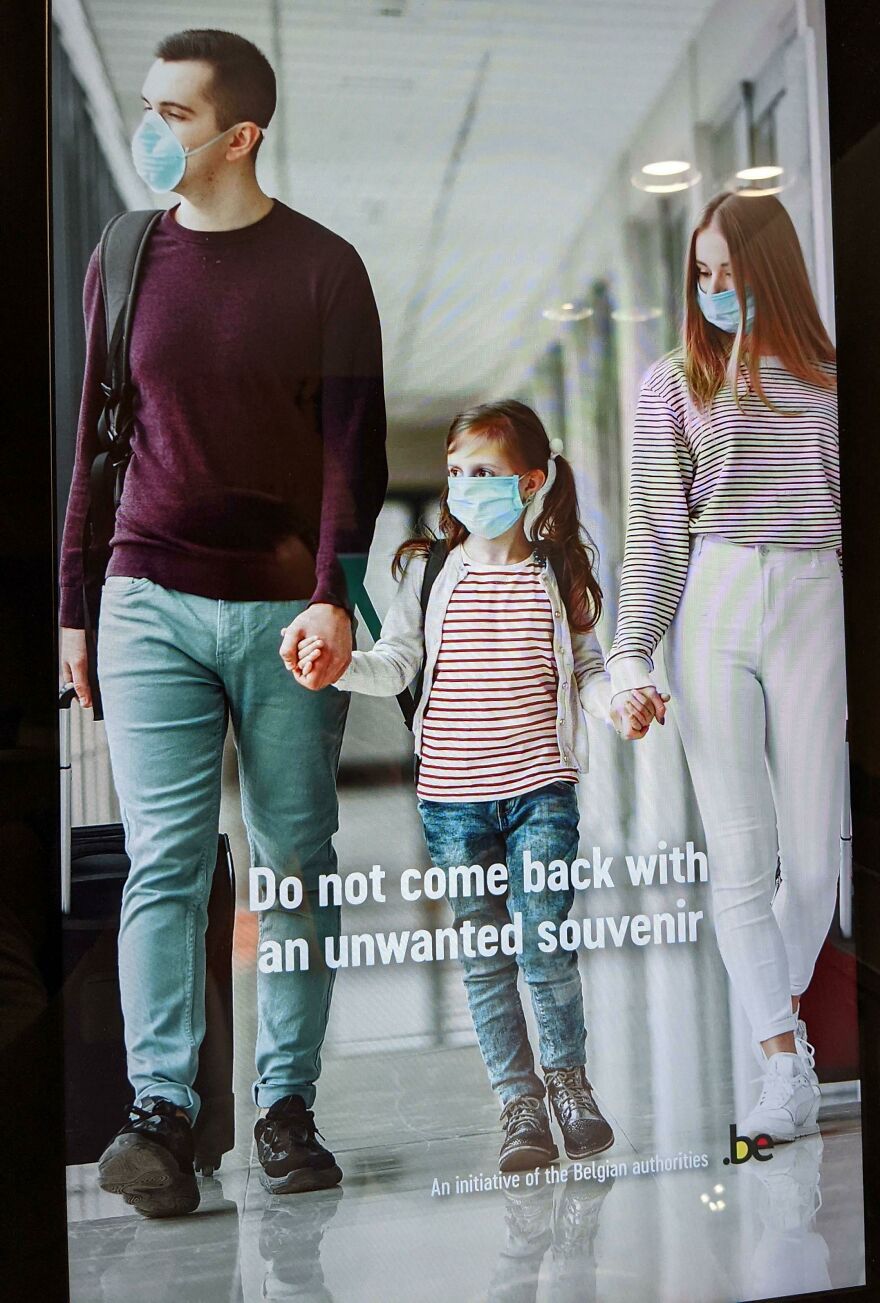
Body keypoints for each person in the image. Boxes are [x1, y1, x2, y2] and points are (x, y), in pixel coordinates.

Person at [58, 29, 387, 1216]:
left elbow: (354, 459)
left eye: (175, 114)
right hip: (144, 596)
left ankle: (285, 1106)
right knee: (166, 860)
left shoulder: (324, 270)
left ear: (239, 136)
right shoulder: (123, 253)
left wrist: (333, 603)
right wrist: (74, 609)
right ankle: (160, 1113)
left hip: (283, 614)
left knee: (296, 863)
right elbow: (97, 440)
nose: (153, 131)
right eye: (146, 107)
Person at [287, 400, 648, 1171]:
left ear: (531, 482)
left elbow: (586, 670)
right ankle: (519, 1105)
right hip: (453, 801)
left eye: (481, 472)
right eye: (454, 472)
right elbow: (396, 666)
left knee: (547, 943)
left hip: (542, 793)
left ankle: (569, 1083)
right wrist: (340, 666)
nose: (462, 487)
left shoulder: (560, 569)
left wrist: (617, 701)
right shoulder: (429, 570)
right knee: (486, 957)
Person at [607, 191, 842, 1143]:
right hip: (715, 599)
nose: (712, 291)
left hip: (814, 597)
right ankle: (781, 1063)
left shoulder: (833, 381)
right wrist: (631, 649)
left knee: (816, 864)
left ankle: (768, 999)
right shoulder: (673, 384)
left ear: (770, 270)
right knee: (741, 852)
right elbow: (658, 532)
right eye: (699, 274)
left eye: (729, 272)